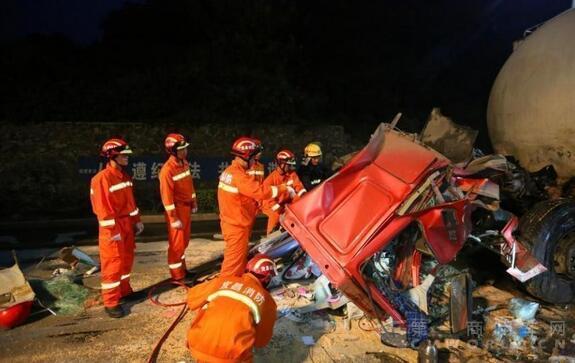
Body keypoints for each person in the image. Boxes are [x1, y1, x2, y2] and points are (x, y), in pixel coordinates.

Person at [218, 136, 293, 277]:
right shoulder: (239, 176)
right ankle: (226, 290)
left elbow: (242, 198)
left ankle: (235, 282)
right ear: (246, 157)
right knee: (232, 265)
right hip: (237, 226)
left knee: (238, 260)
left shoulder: (230, 172)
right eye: (253, 158)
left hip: (234, 223)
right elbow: (260, 191)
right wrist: (283, 188)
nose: (254, 162)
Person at [186, 254, 278, 363]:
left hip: (198, 346)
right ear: (268, 279)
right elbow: (261, 341)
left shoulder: (224, 281)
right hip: (232, 356)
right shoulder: (267, 301)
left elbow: (191, 298)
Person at [90, 138, 144, 318]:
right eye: (123, 154)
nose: (127, 157)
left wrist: (136, 220)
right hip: (112, 228)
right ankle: (111, 301)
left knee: (126, 260)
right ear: (112, 156)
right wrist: (112, 232)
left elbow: (131, 202)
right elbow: (103, 211)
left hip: (127, 223)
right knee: (113, 264)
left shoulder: (124, 176)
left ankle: (125, 291)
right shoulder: (101, 179)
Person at [159, 133, 197, 281]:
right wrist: (173, 218)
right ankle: (177, 276)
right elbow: (167, 198)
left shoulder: (184, 164)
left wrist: (193, 202)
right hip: (177, 209)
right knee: (176, 244)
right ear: (172, 151)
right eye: (181, 149)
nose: (185, 151)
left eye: (185, 148)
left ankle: (183, 270)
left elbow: (189, 185)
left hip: (186, 208)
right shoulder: (167, 170)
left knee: (184, 242)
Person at [262, 149, 306, 235]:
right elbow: (268, 201)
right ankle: (271, 236)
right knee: (275, 216)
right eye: (288, 165)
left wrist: (304, 196)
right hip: (273, 206)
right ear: (281, 164)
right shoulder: (270, 180)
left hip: (287, 205)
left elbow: (299, 188)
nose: (291, 167)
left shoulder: (292, 174)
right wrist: (280, 209)